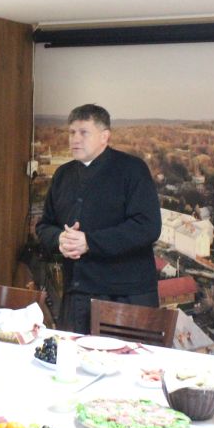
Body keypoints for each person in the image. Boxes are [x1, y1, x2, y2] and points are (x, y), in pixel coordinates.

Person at [36, 103, 162, 334]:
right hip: (77, 296)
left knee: (127, 358)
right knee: (71, 356)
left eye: (84, 132)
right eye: (72, 132)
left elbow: (147, 227)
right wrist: (59, 239)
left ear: (105, 136)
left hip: (125, 297)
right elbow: (44, 225)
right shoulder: (62, 175)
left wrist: (89, 242)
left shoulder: (132, 170)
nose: (75, 139)